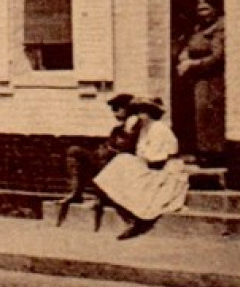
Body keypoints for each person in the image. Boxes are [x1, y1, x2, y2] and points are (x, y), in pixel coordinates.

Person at [94, 95, 188, 240]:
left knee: (130, 170)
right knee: (121, 161)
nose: (140, 115)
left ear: (152, 113)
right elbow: (140, 152)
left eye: (144, 112)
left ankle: (135, 219)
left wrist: (139, 162)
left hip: (165, 169)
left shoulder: (159, 128)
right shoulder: (144, 129)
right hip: (151, 164)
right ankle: (121, 206)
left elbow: (157, 158)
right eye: (138, 112)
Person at [54, 93, 140, 226]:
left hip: (123, 168)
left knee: (106, 160)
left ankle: (103, 197)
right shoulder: (117, 130)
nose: (114, 112)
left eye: (117, 108)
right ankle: (75, 192)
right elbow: (108, 146)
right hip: (106, 164)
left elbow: (131, 150)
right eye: (113, 109)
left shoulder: (137, 129)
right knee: (74, 151)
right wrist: (102, 151)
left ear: (129, 109)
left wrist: (111, 150)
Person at [175, 0, 226, 164]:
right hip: (198, 80)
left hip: (213, 79)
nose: (202, 14)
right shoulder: (199, 28)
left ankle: (213, 154)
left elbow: (218, 57)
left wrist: (192, 64)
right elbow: (190, 46)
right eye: (199, 10)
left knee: (210, 114)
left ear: (215, 9)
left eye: (206, 9)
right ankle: (201, 151)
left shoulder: (220, 28)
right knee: (199, 115)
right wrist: (184, 55)